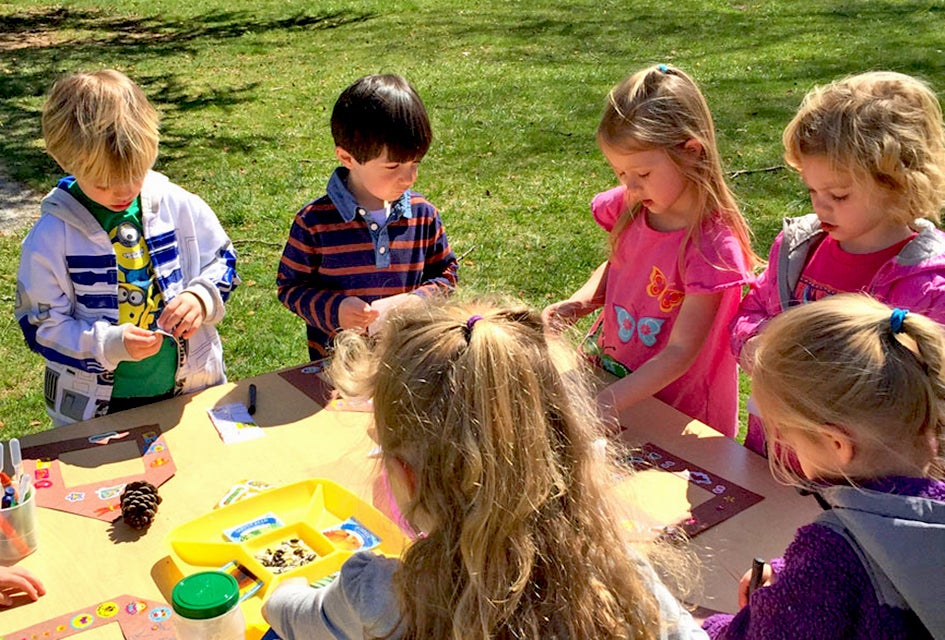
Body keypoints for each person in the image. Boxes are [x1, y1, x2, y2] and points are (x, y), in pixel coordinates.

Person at [263, 299, 708, 640]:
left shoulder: (380, 596)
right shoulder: (619, 577)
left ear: (407, 475)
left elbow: (285, 611)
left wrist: (285, 588)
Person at [703, 294, 945, 639]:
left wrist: (711, 628)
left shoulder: (829, 555)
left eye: (786, 436)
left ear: (837, 444)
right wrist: (791, 575)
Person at [730, 71, 945, 456]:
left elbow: (929, 399)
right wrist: (760, 349)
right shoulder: (798, 250)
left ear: (899, 183)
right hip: (774, 459)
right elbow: (751, 311)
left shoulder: (929, 283)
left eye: (839, 195)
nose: (820, 205)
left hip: (869, 484)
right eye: (812, 189)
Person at [542, 64, 758, 437]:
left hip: (680, 414)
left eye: (641, 174)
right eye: (620, 173)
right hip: (610, 381)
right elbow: (621, 263)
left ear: (691, 151)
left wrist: (606, 403)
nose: (630, 185)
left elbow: (680, 352)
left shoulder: (712, 247)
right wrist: (578, 304)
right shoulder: (632, 205)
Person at [15, 70, 239, 426]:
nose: (122, 192)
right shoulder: (51, 236)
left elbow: (222, 260)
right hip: (96, 408)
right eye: (104, 184)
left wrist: (200, 298)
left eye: (135, 174)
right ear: (65, 161)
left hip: (190, 389)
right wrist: (109, 344)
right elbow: (40, 325)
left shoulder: (176, 205)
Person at [277, 74, 458, 361]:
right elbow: (290, 287)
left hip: (409, 363)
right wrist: (335, 309)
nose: (409, 177)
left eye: (415, 163)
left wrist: (419, 300)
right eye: (393, 166)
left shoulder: (423, 215)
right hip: (340, 370)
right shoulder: (314, 223)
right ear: (347, 158)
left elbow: (447, 274)